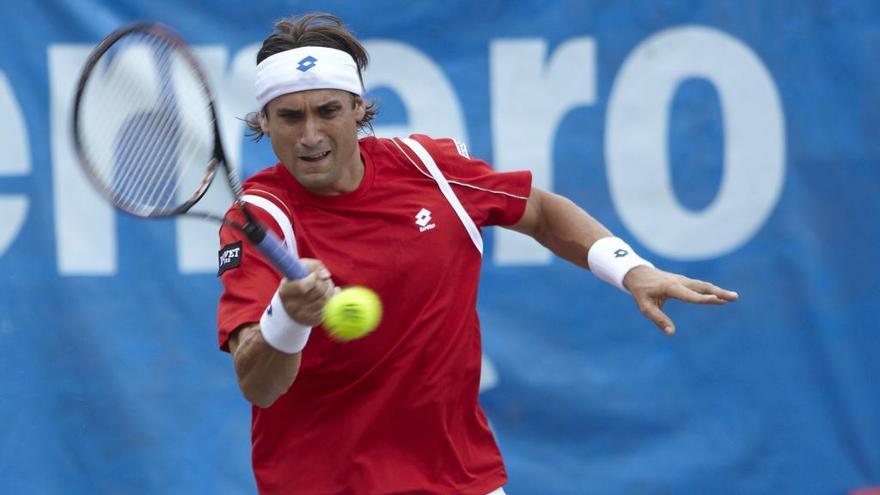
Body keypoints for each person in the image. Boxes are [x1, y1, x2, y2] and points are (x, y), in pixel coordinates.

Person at [216, 12, 738, 495]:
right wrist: (288, 316)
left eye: (328, 110)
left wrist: (632, 270)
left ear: (357, 107)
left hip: (459, 481)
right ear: (263, 121)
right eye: (289, 116)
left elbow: (541, 212)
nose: (311, 136)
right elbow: (258, 385)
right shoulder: (259, 221)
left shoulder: (430, 168)